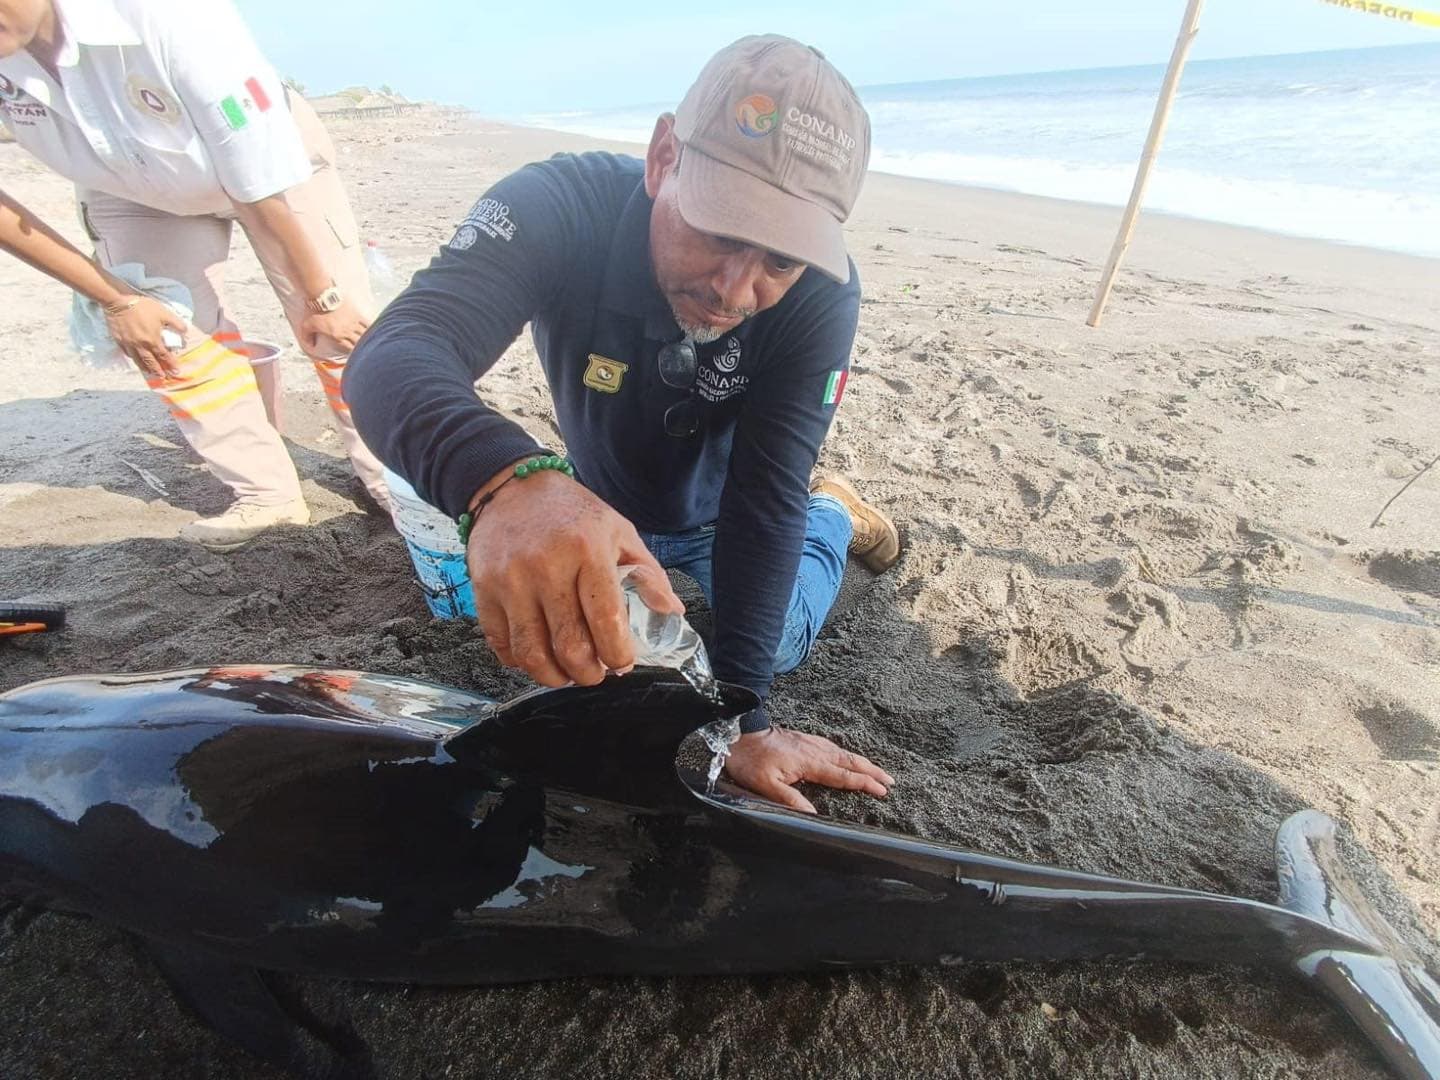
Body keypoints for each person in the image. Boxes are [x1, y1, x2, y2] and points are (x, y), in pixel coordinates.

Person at [346, 35, 900, 813]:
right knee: (556, 645)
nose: (735, 291)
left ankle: (836, 514)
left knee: (767, 646)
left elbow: (764, 498)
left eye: (778, 261)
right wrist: (509, 483)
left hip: (722, 514)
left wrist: (741, 723)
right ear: (663, 155)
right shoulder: (561, 206)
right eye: (719, 230)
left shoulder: (820, 297)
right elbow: (394, 355)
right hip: (597, 507)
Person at [0, 0, 388, 549]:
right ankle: (266, 493)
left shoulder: (171, 16)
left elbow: (255, 175)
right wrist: (116, 300)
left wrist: (322, 296)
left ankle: (392, 474)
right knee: (167, 339)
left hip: (268, 166)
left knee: (340, 327)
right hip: (125, 189)